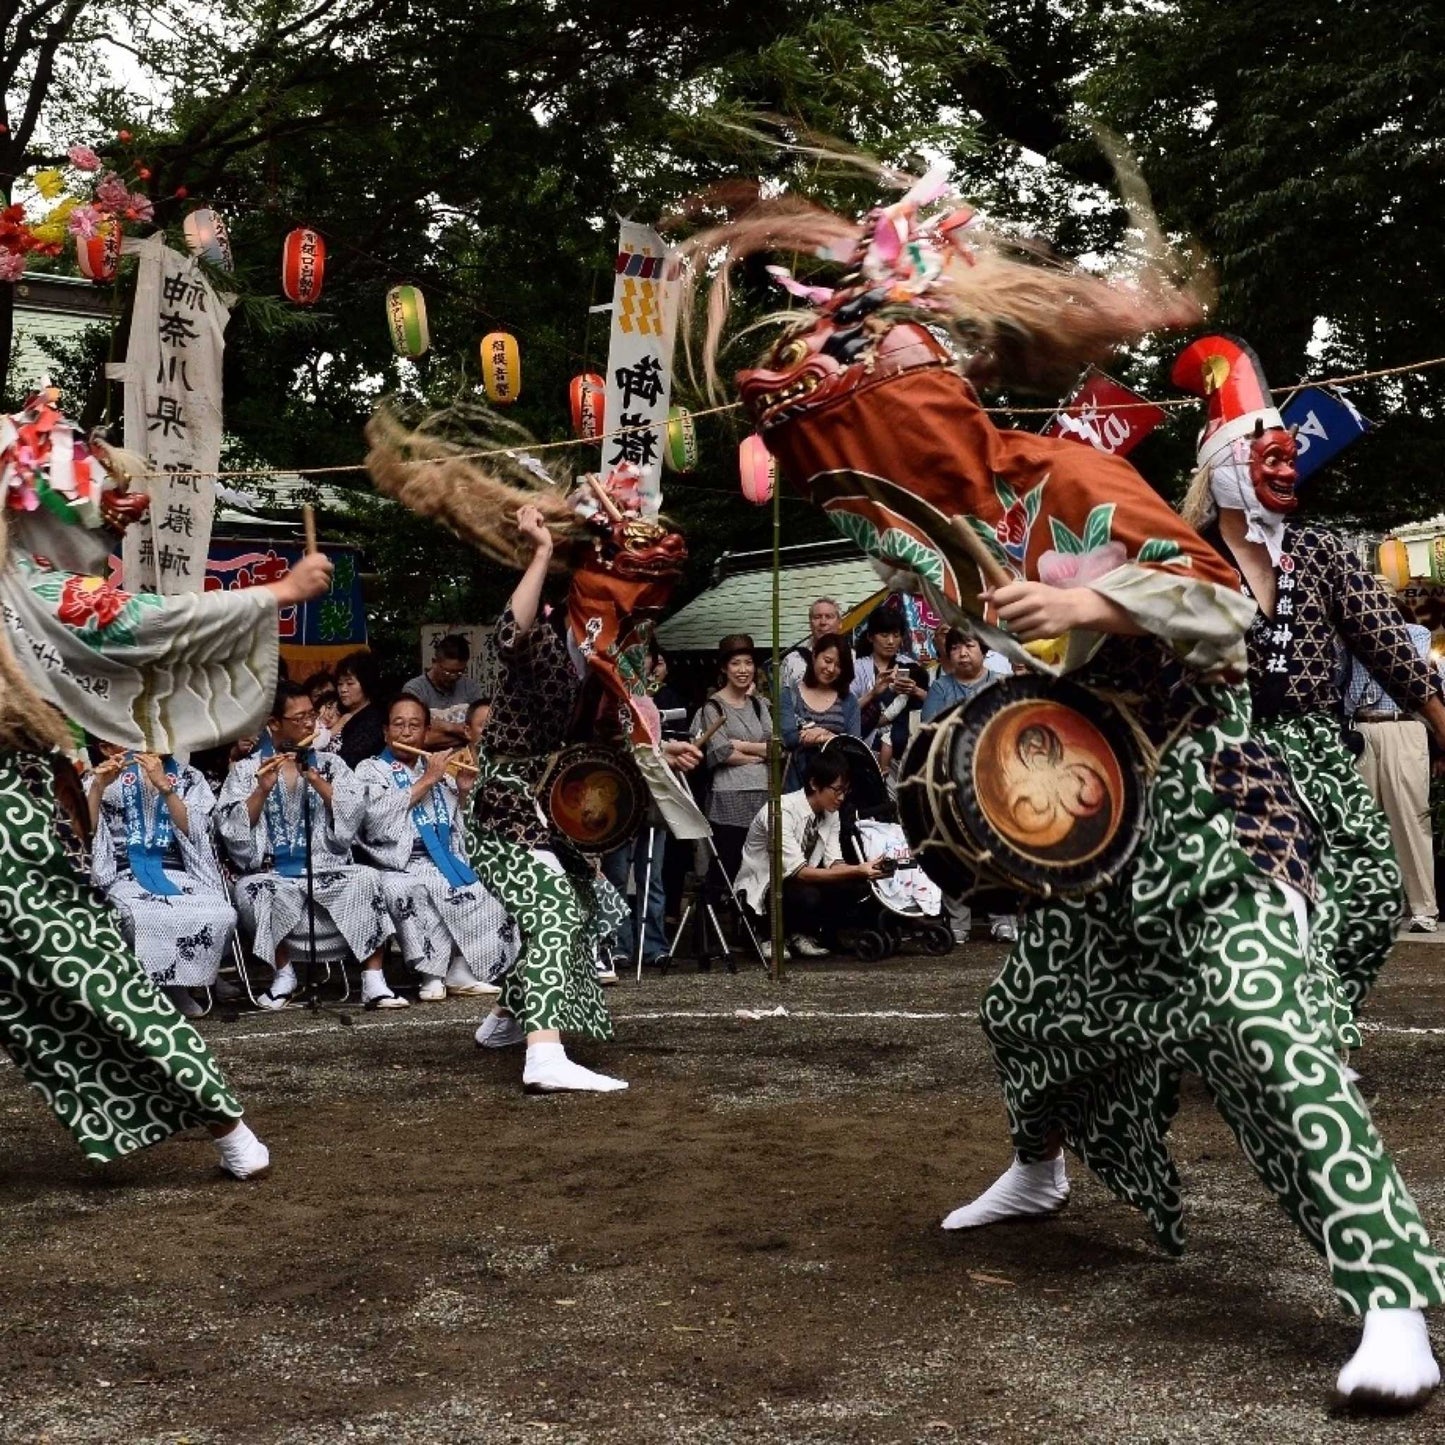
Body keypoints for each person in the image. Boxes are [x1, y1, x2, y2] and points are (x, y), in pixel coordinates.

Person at [683, 178, 1444, 1404]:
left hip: (1213, 809)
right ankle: (1037, 1168)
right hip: (1099, 831)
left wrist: (1092, 597)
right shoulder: (920, 532)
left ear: (929, 405)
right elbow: (847, 492)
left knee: (1263, 1029)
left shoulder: (1060, 471)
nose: (863, 461)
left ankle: (1390, 1298)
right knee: (1029, 1012)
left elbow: (1225, 609)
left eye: (871, 425)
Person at [0, 392, 334, 1180]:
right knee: (76, 980)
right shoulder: (28, 589)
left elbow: (143, 616)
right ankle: (224, 1124)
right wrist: (278, 593)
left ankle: (225, 1122)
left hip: (13, 817)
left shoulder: (34, 593)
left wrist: (275, 595)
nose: (103, 538)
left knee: (89, 974)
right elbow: (146, 617)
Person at [1176, 333, 1445, 1044]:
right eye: (1269, 457)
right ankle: (1282, 1045)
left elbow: (1386, 642)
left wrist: (1438, 718)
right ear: (1224, 465)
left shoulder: (1320, 550)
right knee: (1265, 910)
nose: (1288, 468)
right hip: (1227, 758)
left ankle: (1313, 1025)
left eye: (1290, 457)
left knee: (1371, 892)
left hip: (1319, 749)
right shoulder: (1186, 560)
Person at [466, 505, 633, 1091]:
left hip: (549, 816)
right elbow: (511, 633)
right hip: (504, 809)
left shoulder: (607, 674)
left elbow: (602, 754)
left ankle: (505, 1019)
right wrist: (540, 552)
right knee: (555, 911)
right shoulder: (544, 648)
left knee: (589, 907)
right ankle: (544, 1055)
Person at [218, 681, 403, 1011]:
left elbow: (353, 814)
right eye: (299, 717)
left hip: (324, 868)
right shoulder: (247, 770)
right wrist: (261, 790)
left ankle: (374, 980)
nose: (309, 724)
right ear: (274, 723)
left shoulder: (331, 764)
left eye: (311, 715)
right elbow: (233, 830)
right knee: (253, 890)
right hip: (272, 872)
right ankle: (284, 975)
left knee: (368, 879)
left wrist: (316, 780)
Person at [355, 695, 515, 1001]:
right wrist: (427, 780)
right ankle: (432, 974)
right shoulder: (370, 770)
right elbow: (373, 820)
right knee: (414, 889)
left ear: (426, 733)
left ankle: (461, 969)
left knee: (488, 884)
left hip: (445, 860)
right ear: (386, 732)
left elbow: (461, 829)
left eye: (414, 725)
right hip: (398, 864)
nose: (406, 732)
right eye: (398, 725)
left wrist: (464, 791)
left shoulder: (438, 771)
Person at [86, 744, 238, 1020]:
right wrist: (97, 787)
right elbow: (84, 833)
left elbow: (197, 832)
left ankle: (189, 981)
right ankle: (166, 988)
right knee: (141, 915)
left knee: (222, 914)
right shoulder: (103, 775)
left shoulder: (189, 776)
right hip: (124, 873)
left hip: (177, 871)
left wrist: (166, 789)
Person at [734, 752, 887, 956]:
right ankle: (767, 935)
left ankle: (803, 933)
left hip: (798, 880)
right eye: (837, 790)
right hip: (765, 884)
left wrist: (866, 869)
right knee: (807, 894)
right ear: (815, 784)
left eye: (845, 791)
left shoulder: (831, 813)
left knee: (855, 886)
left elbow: (835, 863)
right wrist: (858, 870)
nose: (842, 797)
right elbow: (800, 873)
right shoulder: (781, 811)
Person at [919, 628, 1016, 945]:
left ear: (983, 649)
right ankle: (958, 922)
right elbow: (929, 732)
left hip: (996, 779)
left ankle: (1003, 920)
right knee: (955, 850)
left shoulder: (1001, 683)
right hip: (952, 780)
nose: (962, 653)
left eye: (969, 646)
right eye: (955, 647)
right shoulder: (940, 688)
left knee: (997, 850)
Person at [1346, 605, 1439, 933]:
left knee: (1410, 817)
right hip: (1360, 727)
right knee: (1361, 821)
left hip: (1403, 724)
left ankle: (1424, 907)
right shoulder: (1349, 639)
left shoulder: (1415, 633)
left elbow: (1414, 666)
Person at [693, 634, 772, 900]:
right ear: (724, 668)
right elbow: (721, 752)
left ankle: (748, 920)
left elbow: (776, 747)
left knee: (757, 869)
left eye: (748, 663)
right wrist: (759, 754)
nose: (743, 670)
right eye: (736, 663)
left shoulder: (759, 705)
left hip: (763, 793)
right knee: (727, 865)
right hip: (728, 796)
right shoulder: (713, 706)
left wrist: (742, 745)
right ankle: (716, 920)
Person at [780, 631, 860, 790]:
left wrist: (824, 735)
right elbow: (789, 738)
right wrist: (831, 738)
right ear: (814, 655)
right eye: (827, 660)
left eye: (838, 666)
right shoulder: (790, 695)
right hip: (797, 786)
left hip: (836, 790)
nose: (831, 669)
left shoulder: (849, 701)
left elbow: (854, 745)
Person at [851, 606, 927, 769]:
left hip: (906, 749)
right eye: (884, 635)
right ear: (870, 637)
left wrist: (915, 691)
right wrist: (873, 693)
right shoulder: (857, 669)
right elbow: (847, 710)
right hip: (865, 747)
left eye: (896, 635)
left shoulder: (912, 667)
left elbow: (931, 704)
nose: (891, 641)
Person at [405, 634, 484, 748]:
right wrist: (455, 729)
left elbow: (481, 733)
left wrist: (439, 726)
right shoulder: (415, 689)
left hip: (466, 757)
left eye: (459, 672)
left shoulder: (471, 688)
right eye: (448, 671)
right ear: (434, 662)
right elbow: (421, 738)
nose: (453, 677)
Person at [334, 650, 386, 769]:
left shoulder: (374, 720)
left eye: (350, 683)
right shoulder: (338, 714)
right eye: (340, 684)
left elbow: (350, 759)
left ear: (366, 684)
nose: (343, 689)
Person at [779, 596, 843, 690]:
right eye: (817, 617)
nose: (823, 622)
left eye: (829, 617)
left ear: (840, 623)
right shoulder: (792, 661)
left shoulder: (853, 659)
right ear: (810, 623)